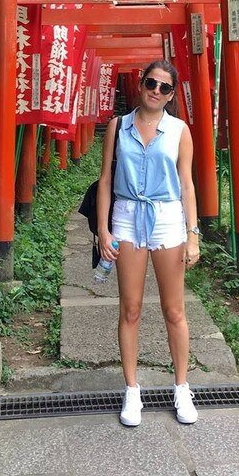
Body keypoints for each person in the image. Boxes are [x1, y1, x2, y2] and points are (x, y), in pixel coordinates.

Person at [96, 59, 201, 427]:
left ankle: (181, 387)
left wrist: (192, 234)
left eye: (164, 87)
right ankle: (132, 389)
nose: (156, 91)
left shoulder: (179, 131)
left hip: (167, 218)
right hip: (127, 217)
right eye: (151, 83)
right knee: (131, 309)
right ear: (141, 85)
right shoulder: (117, 126)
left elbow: (186, 183)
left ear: (171, 95)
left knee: (174, 310)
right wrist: (103, 230)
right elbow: (105, 180)